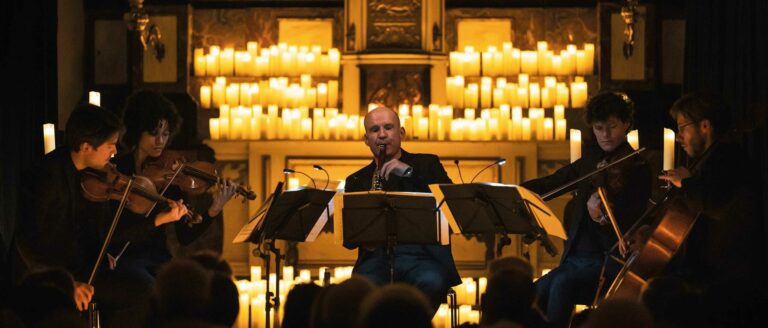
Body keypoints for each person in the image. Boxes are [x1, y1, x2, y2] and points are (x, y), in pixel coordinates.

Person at [98, 90, 234, 326]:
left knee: (185, 291)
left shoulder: (171, 176)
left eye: (166, 133)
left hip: (157, 255)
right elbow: (114, 233)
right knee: (151, 292)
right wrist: (159, 219)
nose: (161, 141)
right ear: (136, 130)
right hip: (124, 255)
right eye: (153, 133)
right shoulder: (117, 170)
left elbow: (184, 235)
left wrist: (214, 209)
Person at [521, 91, 652, 327]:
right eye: (599, 128)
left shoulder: (638, 166)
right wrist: (516, 191)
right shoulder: (592, 159)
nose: (605, 135)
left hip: (607, 259)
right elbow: (556, 181)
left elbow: (631, 222)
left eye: (612, 127)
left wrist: (602, 218)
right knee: (531, 295)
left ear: (626, 124)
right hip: (575, 257)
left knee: (562, 285)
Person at [658, 92, 764, 325]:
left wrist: (686, 182)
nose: (679, 138)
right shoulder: (709, 159)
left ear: (704, 126)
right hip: (705, 274)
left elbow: (714, 204)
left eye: (682, 128)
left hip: (722, 278)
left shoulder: (728, 157)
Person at [343, 106, 461, 313]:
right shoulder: (355, 180)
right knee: (357, 293)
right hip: (375, 258)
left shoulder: (426, 164)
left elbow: (451, 203)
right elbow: (350, 241)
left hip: (422, 256)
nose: (382, 134)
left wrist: (408, 172)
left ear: (401, 133)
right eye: (374, 130)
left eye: (388, 127)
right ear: (366, 139)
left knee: (432, 282)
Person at [13, 103, 123, 312]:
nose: (115, 151)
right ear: (85, 147)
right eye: (110, 144)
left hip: (79, 269)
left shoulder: (93, 175)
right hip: (45, 278)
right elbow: (28, 246)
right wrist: (67, 284)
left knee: (141, 288)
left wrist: (99, 252)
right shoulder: (44, 177)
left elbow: (87, 229)